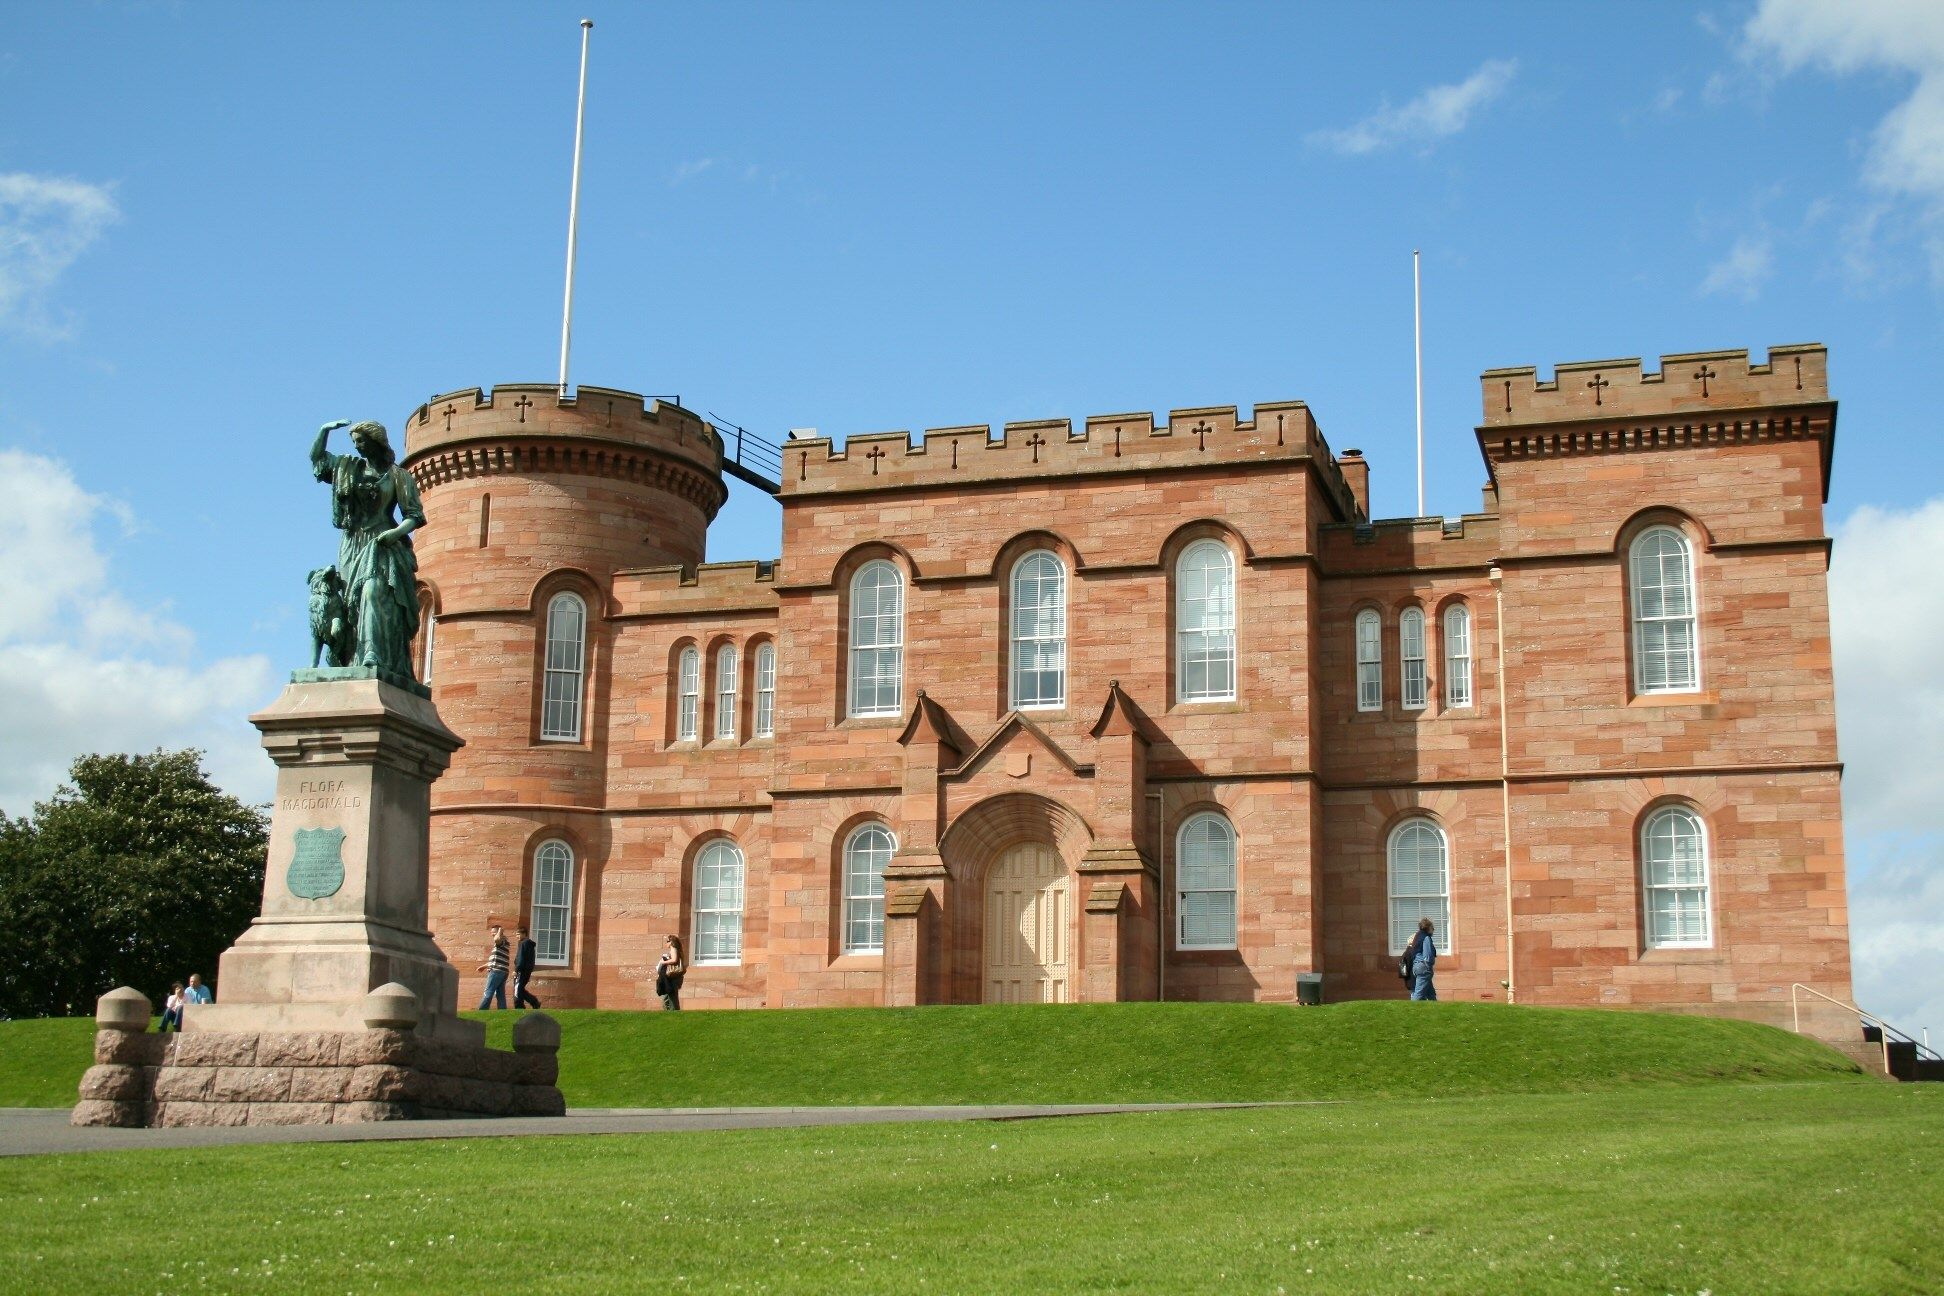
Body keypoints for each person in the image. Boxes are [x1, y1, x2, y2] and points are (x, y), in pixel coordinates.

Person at [309, 418, 426, 679]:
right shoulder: (347, 468)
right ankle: (354, 658)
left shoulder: (399, 476)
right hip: (352, 544)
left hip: (383, 543)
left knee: (372, 591)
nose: (358, 447)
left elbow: (414, 516)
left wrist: (395, 533)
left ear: (376, 441)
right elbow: (317, 460)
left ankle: (373, 653)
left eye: (361, 441)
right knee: (352, 608)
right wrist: (323, 431)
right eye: (355, 442)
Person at [476, 923, 510, 1010]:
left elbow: (497, 939)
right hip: (502, 971)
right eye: (491, 932)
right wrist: (483, 966)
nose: (492, 934)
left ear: (499, 932)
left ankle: (482, 1010)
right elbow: (495, 960)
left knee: (488, 992)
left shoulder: (501, 940)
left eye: (494, 932)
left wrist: (499, 932)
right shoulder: (503, 942)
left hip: (496, 971)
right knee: (500, 994)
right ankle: (502, 1012)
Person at [1405, 917, 1438, 1002]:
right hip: (1423, 967)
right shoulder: (1426, 938)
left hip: (1416, 966)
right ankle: (1411, 1012)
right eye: (1432, 927)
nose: (1433, 929)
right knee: (1418, 994)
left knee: (1431, 993)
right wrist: (1428, 966)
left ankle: (1436, 1010)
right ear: (1428, 927)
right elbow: (1428, 955)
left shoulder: (1417, 936)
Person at [512, 926, 541, 1009]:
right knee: (520, 989)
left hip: (521, 970)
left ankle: (519, 1006)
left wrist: (516, 970)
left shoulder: (523, 943)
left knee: (517, 989)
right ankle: (534, 1002)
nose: (517, 936)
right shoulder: (529, 944)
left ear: (524, 934)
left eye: (518, 934)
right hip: (527, 971)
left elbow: (520, 958)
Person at [655, 934, 685, 1011]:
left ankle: (673, 1012)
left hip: (672, 976)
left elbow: (674, 960)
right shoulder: (676, 949)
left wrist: (663, 962)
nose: (666, 943)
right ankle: (669, 1012)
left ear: (671, 942)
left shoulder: (673, 949)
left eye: (667, 941)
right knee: (667, 996)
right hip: (672, 976)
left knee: (672, 996)